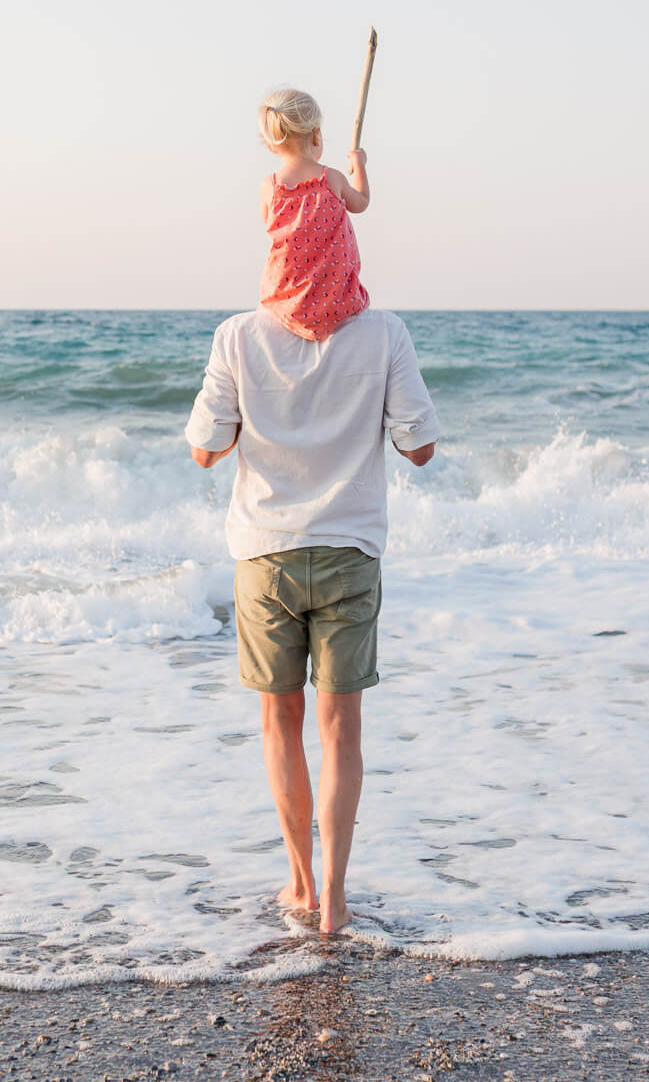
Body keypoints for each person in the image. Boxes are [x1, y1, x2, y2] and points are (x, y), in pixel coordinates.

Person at [184, 294, 440, 935]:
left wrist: (267, 412)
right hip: (348, 553)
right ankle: (334, 898)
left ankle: (298, 883)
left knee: (280, 722)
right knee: (341, 729)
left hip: (266, 555)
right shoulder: (384, 333)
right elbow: (421, 448)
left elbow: (206, 450)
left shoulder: (238, 336)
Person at [256, 88, 371, 341]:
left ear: (270, 143)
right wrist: (360, 165)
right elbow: (361, 202)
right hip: (338, 302)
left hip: (285, 303)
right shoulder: (331, 178)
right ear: (316, 135)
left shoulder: (269, 187)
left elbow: (271, 227)